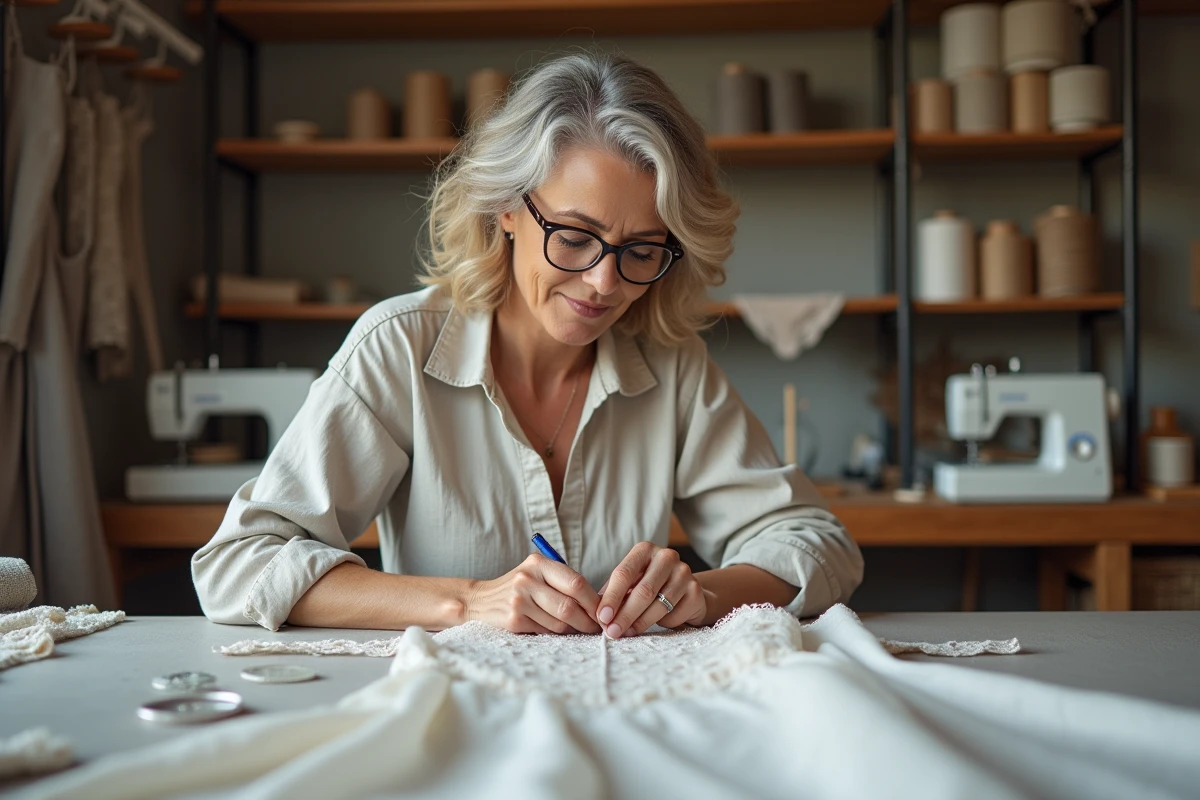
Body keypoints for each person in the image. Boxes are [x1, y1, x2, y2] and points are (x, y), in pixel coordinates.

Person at [192, 53, 864, 638]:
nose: (603, 283)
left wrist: (701, 594)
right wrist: (466, 603)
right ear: (506, 208)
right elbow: (237, 564)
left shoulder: (673, 365)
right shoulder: (398, 349)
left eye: (640, 250)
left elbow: (818, 545)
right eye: (573, 237)